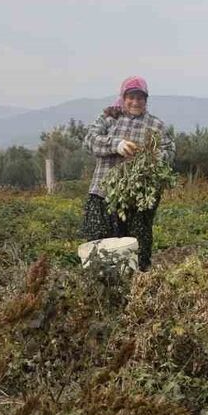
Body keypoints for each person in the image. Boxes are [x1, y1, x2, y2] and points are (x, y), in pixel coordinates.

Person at [82, 76, 175, 271]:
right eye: (131, 97)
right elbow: (90, 140)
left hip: (138, 197)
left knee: (137, 246)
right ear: (123, 98)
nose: (135, 102)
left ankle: (136, 286)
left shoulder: (155, 125)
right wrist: (117, 144)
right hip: (103, 193)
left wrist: (151, 157)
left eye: (140, 98)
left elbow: (169, 151)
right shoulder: (109, 118)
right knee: (100, 243)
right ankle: (102, 286)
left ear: (146, 100)